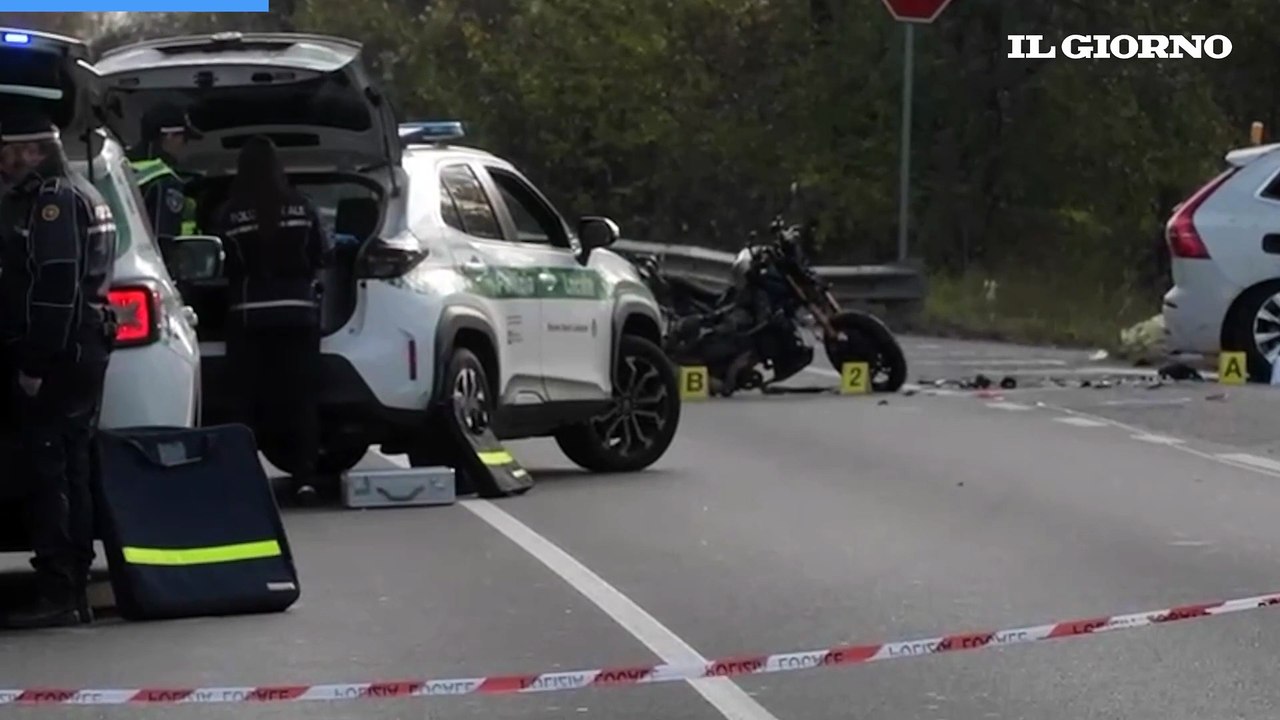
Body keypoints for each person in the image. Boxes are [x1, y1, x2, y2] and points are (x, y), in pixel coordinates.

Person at [0, 104, 117, 629]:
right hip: (80, 348)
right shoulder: (80, 191)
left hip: (62, 354)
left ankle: (60, 588)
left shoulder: (54, 202)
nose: (3, 162)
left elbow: (55, 289)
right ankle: (72, 584)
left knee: (51, 471)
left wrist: (34, 362)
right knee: (70, 465)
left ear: (33, 150)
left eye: (8, 151)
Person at [210, 135, 330, 504]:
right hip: (298, 313)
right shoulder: (302, 207)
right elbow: (321, 254)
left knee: (246, 399)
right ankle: (305, 478)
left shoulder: (229, 214)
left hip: (249, 315)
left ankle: (246, 477)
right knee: (300, 398)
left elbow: (221, 264)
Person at [128, 103, 202, 240]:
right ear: (169, 135)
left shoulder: (120, 168)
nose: (184, 144)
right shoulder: (164, 180)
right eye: (184, 138)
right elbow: (164, 237)